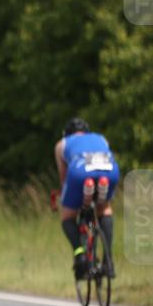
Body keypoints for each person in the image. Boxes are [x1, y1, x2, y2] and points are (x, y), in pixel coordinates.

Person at [55, 118, 120, 279]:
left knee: (67, 216)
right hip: (109, 169)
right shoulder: (100, 138)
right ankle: (108, 260)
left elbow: (64, 179)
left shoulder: (62, 144)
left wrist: (65, 198)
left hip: (80, 171)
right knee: (104, 208)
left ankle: (80, 254)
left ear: (67, 133)